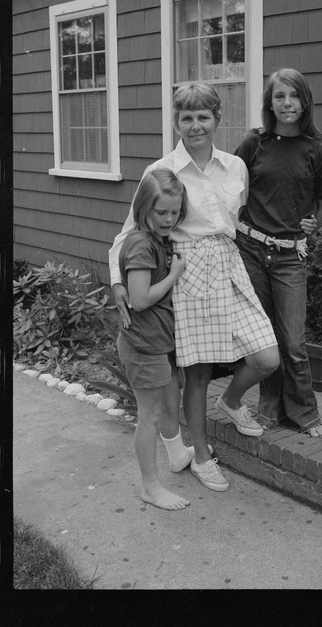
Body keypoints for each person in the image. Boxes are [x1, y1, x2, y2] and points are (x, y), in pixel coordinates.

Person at [109, 83, 280, 493]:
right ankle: (201, 457)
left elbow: (237, 222)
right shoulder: (161, 170)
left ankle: (232, 401)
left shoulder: (234, 167)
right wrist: (117, 281)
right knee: (197, 373)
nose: (195, 125)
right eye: (186, 118)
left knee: (266, 356)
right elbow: (129, 231)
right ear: (176, 121)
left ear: (217, 119)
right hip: (185, 272)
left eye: (203, 117)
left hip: (228, 264)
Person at [234, 69, 322, 437]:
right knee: (265, 339)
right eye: (279, 97)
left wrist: (313, 226)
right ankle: (269, 410)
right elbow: (231, 190)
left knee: (294, 342)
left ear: (305, 101)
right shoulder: (253, 145)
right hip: (250, 251)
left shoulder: (318, 150)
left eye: (294, 96)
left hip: (289, 257)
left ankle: (304, 413)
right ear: (270, 103)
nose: (287, 104)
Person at [116, 169, 192, 510]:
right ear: (144, 207)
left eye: (175, 212)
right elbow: (140, 299)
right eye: (161, 212)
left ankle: (173, 460)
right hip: (142, 345)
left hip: (154, 343)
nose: (169, 219)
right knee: (149, 415)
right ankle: (150, 486)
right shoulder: (141, 245)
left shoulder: (156, 240)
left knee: (164, 404)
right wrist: (175, 275)